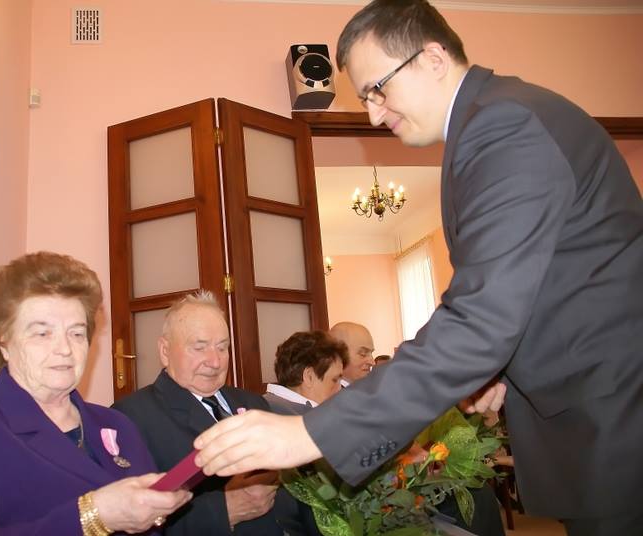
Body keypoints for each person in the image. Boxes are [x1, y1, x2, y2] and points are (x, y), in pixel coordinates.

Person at [194, 2, 643, 534]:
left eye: (377, 90)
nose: (373, 114)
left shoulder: (504, 126)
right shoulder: (496, 120)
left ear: (432, 58)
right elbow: (551, 282)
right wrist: (498, 369)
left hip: (617, 417)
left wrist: (309, 434)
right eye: (365, 98)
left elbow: (481, 317)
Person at [0, 252, 191, 535]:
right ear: (4, 343)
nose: (65, 349)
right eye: (42, 333)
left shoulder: (117, 424)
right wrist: (93, 516)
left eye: (77, 333)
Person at [113, 290, 318, 536]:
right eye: (199, 348)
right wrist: (225, 510)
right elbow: (130, 524)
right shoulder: (129, 418)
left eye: (223, 348)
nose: (215, 361)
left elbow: (299, 494)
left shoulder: (254, 404)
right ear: (165, 351)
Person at [264, 330, 348, 415]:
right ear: (309, 377)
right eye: (334, 380)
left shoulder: (268, 407)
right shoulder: (289, 417)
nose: (340, 389)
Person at [329, 321, 376, 386]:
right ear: (337, 356)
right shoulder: (330, 392)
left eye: (371, 353)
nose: (372, 363)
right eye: (363, 354)